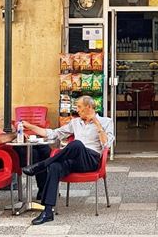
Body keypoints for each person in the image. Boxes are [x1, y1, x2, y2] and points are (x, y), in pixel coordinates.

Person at [21, 95, 114, 225]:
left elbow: (106, 145)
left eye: (80, 107)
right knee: (55, 167)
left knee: (77, 144)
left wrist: (97, 124)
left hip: (90, 160)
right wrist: (30, 126)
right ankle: (48, 211)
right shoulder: (75, 122)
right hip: (74, 159)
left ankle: (41, 165)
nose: (77, 109)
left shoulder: (106, 121)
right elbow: (54, 134)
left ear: (89, 107)